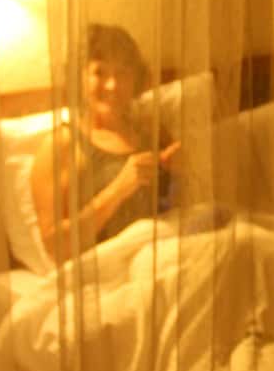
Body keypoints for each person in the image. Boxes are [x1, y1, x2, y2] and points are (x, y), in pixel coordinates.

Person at [31, 23, 181, 265]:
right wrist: (119, 188)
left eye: (122, 73)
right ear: (80, 78)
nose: (112, 85)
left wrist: (184, 170)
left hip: (169, 254)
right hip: (109, 273)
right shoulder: (61, 145)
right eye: (100, 73)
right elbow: (56, 247)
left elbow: (179, 204)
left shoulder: (151, 130)